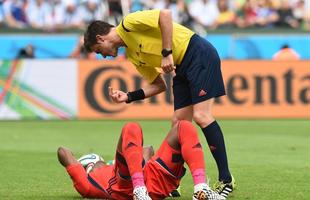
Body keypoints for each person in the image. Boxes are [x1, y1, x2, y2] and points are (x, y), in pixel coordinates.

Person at [83, 9, 235, 198]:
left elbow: (165, 14)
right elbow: (158, 85)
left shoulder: (129, 23)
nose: (103, 56)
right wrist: (129, 96)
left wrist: (166, 53)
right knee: (178, 125)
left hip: (197, 52)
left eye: (99, 51)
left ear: (100, 38)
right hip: (181, 66)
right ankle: (173, 181)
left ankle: (226, 180)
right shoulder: (132, 54)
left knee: (201, 115)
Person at [58, 120, 225, 200]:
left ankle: (200, 189)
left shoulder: (90, 184)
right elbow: (63, 152)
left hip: (151, 180)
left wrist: (131, 162)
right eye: (98, 161)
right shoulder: (87, 184)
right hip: (130, 184)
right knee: (131, 127)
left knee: (184, 126)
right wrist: (79, 166)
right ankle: (139, 191)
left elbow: (148, 149)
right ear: (90, 166)